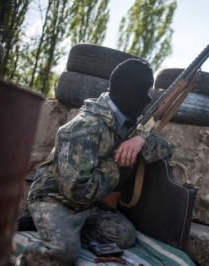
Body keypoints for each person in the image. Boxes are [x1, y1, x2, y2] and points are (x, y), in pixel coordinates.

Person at [16, 58, 173, 266]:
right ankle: (27, 251)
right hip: (55, 199)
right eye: (147, 91)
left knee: (125, 236)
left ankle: (60, 229)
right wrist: (118, 164)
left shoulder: (127, 119)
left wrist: (140, 140)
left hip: (89, 205)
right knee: (64, 253)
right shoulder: (82, 128)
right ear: (130, 90)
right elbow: (77, 191)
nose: (148, 98)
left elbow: (165, 149)